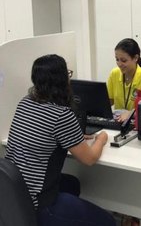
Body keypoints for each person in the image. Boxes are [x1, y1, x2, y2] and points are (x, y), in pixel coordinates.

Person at [5, 54, 116, 226]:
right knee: (108, 221)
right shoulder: (61, 115)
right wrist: (101, 138)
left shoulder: (25, 103)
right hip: (39, 202)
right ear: (62, 80)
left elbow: (43, 133)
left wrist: (74, 137)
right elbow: (89, 159)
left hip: (15, 194)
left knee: (73, 184)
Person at [107, 38, 141, 123]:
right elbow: (109, 101)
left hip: (138, 123)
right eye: (117, 59)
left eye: (123, 60)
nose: (119, 64)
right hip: (119, 121)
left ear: (135, 58)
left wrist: (131, 113)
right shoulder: (114, 74)